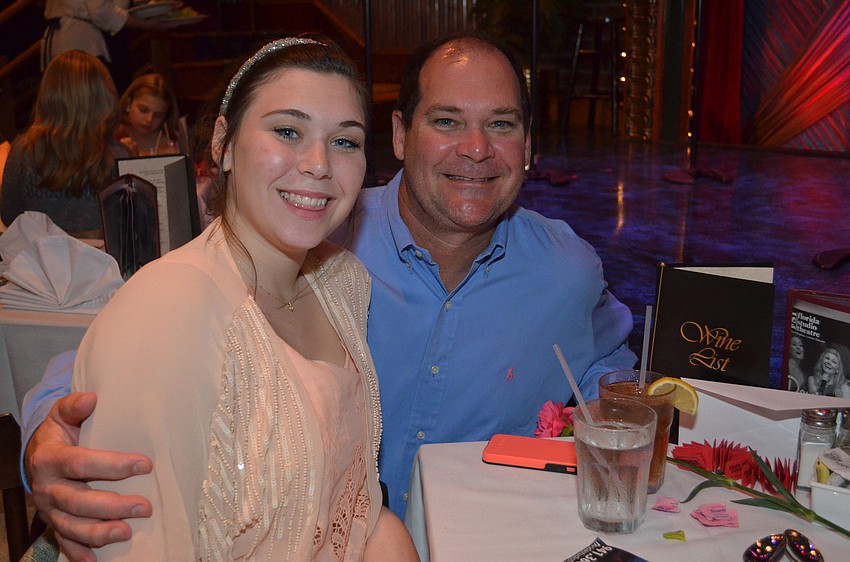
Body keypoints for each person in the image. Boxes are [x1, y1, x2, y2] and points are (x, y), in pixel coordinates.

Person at [21, 31, 636, 556]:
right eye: (446, 121)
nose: (476, 149)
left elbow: (611, 366)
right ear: (400, 135)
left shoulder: (565, 270)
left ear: (528, 145)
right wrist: (47, 440)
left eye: (500, 124)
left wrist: (617, 411)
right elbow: (115, 359)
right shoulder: (310, 233)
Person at [1, 50, 130, 236]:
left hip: (41, 252)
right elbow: (129, 221)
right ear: (104, 97)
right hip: (101, 253)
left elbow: (10, 217)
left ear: (47, 95)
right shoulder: (118, 155)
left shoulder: (23, 151)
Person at [40, 0, 177, 89]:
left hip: (90, 36)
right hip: (78, 39)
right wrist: (147, 24)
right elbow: (100, 11)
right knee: (82, 100)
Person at [117, 73, 180, 156]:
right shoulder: (112, 137)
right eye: (143, 110)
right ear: (129, 103)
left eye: (158, 115)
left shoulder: (173, 142)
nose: (149, 119)